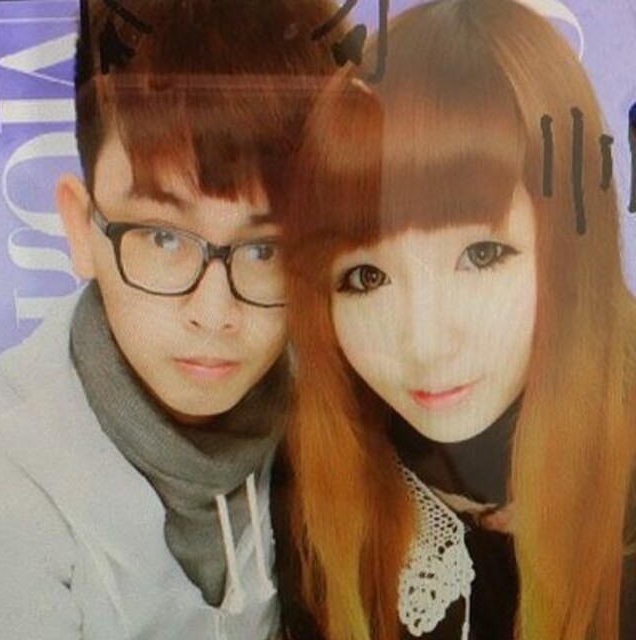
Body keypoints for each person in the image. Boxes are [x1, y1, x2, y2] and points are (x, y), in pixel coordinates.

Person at [272, 0, 636, 638]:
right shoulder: (310, 482)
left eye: (482, 255)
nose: (425, 343)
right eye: (366, 277)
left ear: (572, 252)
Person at [0, 0, 344, 638]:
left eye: (266, 250)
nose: (214, 315)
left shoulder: (335, 402)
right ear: (81, 228)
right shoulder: (10, 473)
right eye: (162, 238)